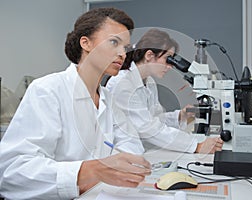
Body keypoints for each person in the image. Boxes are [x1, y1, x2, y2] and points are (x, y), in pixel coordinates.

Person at [0, 7, 151, 200]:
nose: (122, 53)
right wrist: (89, 171)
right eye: (114, 42)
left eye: (126, 47)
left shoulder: (107, 98)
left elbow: (131, 145)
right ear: (85, 43)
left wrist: (118, 165)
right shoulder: (48, 90)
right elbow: (12, 172)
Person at [106, 28, 224, 154]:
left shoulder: (149, 81)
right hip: (119, 153)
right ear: (149, 55)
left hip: (141, 149)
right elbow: (148, 128)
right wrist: (197, 146)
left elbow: (155, 118)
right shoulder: (123, 83)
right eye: (168, 59)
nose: (171, 66)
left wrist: (179, 116)